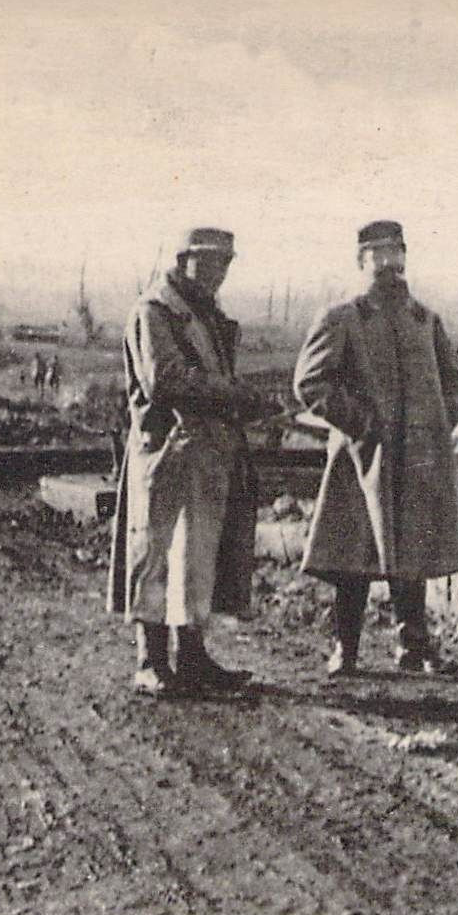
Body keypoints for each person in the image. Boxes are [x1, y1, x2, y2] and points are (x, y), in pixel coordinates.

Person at [293, 219, 458, 676]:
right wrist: (360, 423)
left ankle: (413, 645)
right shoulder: (343, 318)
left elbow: (455, 380)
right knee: (353, 556)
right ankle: (345, 649)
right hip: (362, 458)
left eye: (396, 255)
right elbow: (310, 383)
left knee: (413, 552)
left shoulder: (424, 320)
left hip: (417, 459)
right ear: (360, 262)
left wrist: (442, 417)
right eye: (377, 257)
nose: (388, 267)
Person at [108, 227, 275, 695]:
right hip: (163, 453)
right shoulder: (154, 312)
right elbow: (164, 379)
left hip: (204, 453)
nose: (219, 272)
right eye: (211, 262)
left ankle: (194, 657)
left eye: (226, 263)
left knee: (196, 556)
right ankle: (150, 661)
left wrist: (243, 403)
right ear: (184, 261)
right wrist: (235, 395)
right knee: (154, 554)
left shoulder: (206, 316)